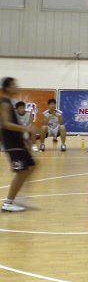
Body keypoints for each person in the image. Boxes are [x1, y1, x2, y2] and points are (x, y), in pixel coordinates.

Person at [1, 78, 39, 212]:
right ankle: (8, 203)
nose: (16, 86)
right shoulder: (4, 103)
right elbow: (6, 124)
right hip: (12, 143)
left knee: (32, 166)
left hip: (18, 142)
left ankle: (18, 197)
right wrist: (26, 129)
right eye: (14, 85)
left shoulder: (11, 103)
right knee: (22, 171)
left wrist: (25, 141)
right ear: (7, 88)